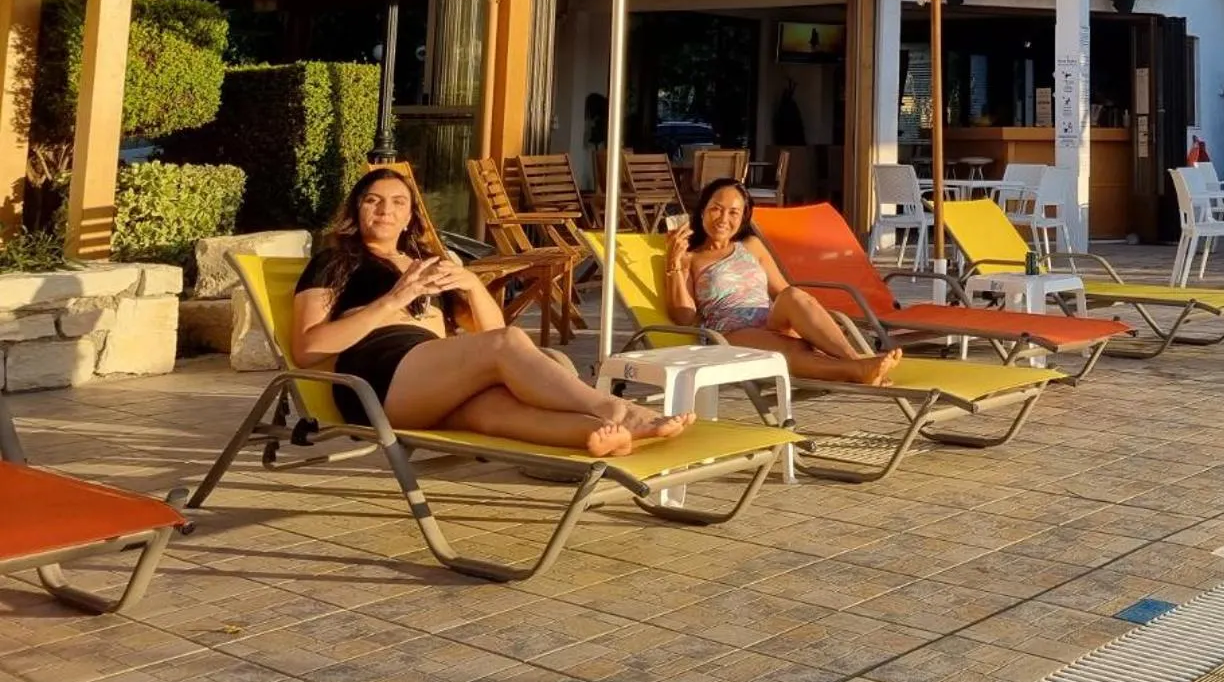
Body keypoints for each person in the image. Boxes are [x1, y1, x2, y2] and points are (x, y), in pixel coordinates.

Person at [293, 167, 690, 456]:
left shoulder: (425, 260)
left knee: (498, 413)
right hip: (377, 379)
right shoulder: (337, 259)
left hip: (430, 386)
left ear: (411, 215)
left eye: (398, 202)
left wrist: (469, 283)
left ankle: (602, 433)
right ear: (357, 209)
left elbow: (491, 332)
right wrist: (395, 299)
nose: (385, 210)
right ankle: (618, 409)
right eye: (373, 200)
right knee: (507, 346)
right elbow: (307, 349)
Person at [665, 178, 901, 385]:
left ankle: (856, 361)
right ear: (703, 210)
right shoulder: (690, 258)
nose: (723, 219)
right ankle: (857, 370)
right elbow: (684, 317)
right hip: (729, 331)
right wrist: (673, 263)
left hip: (768, 319)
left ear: (743, 217)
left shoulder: (751, 246)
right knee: (795, 348)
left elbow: (782, 292)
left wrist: (816, 324)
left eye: (733, 212)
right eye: (716, 209)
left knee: (793, 295)